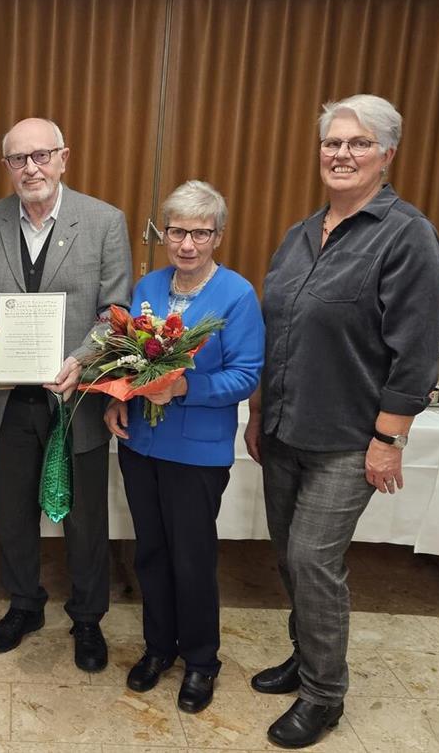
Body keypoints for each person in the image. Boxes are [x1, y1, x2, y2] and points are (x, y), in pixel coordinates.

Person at [244, 94, 439, 748]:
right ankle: (305, 655)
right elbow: (277, 331)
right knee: (288, 554)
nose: (341, 153)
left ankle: (325, 694)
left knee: (312, 557)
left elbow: (415, 351)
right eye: (333, 142)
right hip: (281, 428)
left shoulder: (406, 233)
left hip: (348, 437)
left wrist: (390, 438)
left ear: (387, 154)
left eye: (358, 143)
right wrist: (256, 411)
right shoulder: (302, 233)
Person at [0, 117, 132, 671]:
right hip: (10, 400)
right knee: (12, 515)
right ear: (6, 166)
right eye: (17, 159)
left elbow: (115, 314)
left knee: (84, 521)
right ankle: (25, 604)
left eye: (41, 156)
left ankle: (87, 618)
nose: (30, 167)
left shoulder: (104, 222)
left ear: (63, 158)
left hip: (76, 397)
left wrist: (81, 360)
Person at [103, 180, 263, 713]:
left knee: (191, 559)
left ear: (217, 235)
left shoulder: (237, 294)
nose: (187, 244)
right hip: (141, 445)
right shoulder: (148, 285)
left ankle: (200, 660)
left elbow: (246, 375)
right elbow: (125, 356)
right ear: (163, 233)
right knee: (149, 552)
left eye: (200, 232)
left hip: (196, 451)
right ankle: (157, 649)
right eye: (177, 231)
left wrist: (186, 387)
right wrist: (117, 398)